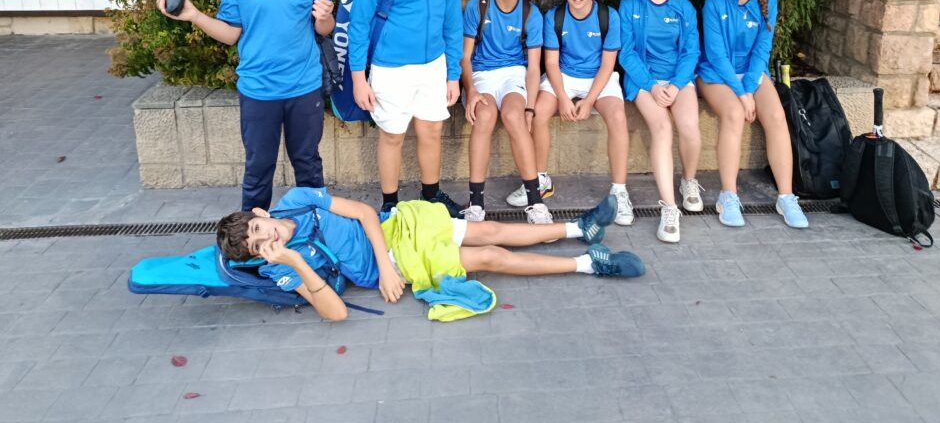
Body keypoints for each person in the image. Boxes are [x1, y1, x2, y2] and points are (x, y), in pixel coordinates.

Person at [215, 187, 645, 322]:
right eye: (258, 245)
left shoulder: (295, 201)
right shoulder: (280, 268)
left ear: (261, 214)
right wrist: (293, 260)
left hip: (397, 230)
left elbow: (363, 212)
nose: (267, 237)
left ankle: (580, 228)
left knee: (490, 230)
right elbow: (335, 314)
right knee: (490, 256)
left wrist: (382, 263)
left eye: (258, 228)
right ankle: (589, 265)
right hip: (402, 263)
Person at [157, 0, 332, 211]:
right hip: (258, 89)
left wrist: (325, 17)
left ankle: (316, 226)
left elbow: (324, 30)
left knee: (308, 164)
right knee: (259, 168)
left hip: (305, 86)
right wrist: (194, 15)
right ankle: (250, 234)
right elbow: (230, 34)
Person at [348, 0, 463, 216]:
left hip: (433, 66)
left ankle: (431, 197)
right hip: (391, 68)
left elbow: (453, 25)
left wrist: (453, 75)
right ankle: (390, 205)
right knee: (392, 136)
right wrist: (358, 79)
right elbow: (359, 23)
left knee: (432, 131)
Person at [695, 0, 808, 229]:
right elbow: (717, 55)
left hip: (752, 73)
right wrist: (742, 94)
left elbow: (762, 50)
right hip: (716, 73)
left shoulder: (769, 0)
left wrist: (748, 88)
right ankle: (728, 196)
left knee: (777, 117)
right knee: (734, 113)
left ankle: (786, 197)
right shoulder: (714, 4)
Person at [527, 0, 633, 226]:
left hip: (599, 77)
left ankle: (619, 191)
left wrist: (589, 100)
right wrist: (563, 98)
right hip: (563, 75)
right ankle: (540, 180)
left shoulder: (608, 16)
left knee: (618, 117)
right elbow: (551, 63)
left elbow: (608, 64)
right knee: (539, 112)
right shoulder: (555, 17)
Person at [617, 0, 702, 244]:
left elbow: (691, 52)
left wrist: (676, 85)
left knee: (689, 127)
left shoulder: (684, 8)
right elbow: (626, 53)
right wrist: (652, 85)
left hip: (678, 78)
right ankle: (669, 208)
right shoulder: (630, 5)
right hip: (643, 80)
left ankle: (689, 180)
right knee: (663, 128)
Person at [461, 0, 550, 223]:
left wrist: (530, 108)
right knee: (485, 116)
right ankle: (476, 204)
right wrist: (471, 91)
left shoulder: (531, 13)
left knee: (514, 116)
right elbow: (465, 57)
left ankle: (536, 203)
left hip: (514, 73)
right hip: (482, 73)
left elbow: (533, 68)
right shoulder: (479, 5)